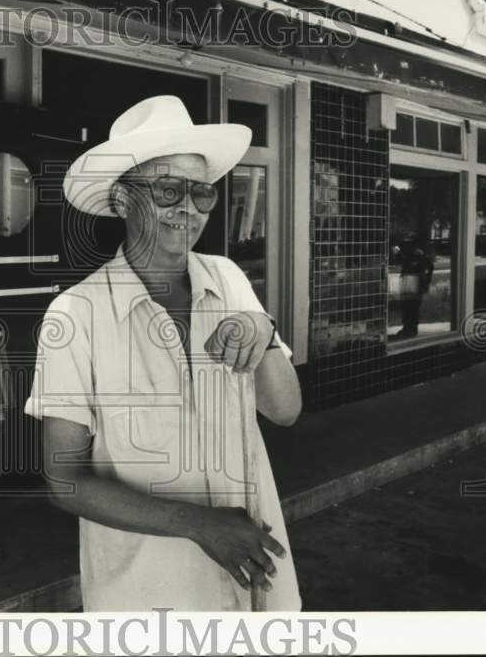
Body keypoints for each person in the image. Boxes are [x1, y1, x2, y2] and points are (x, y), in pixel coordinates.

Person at [24, 95, 303, 612]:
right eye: (169, 190)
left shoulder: (228, 279)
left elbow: (285, 411)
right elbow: (64, 482)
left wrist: (262, 331)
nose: (187, 210)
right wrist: (198, 525)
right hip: (146, 595)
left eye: (202, 194)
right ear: (124, 200)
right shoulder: (76, 313)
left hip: (253, 581)